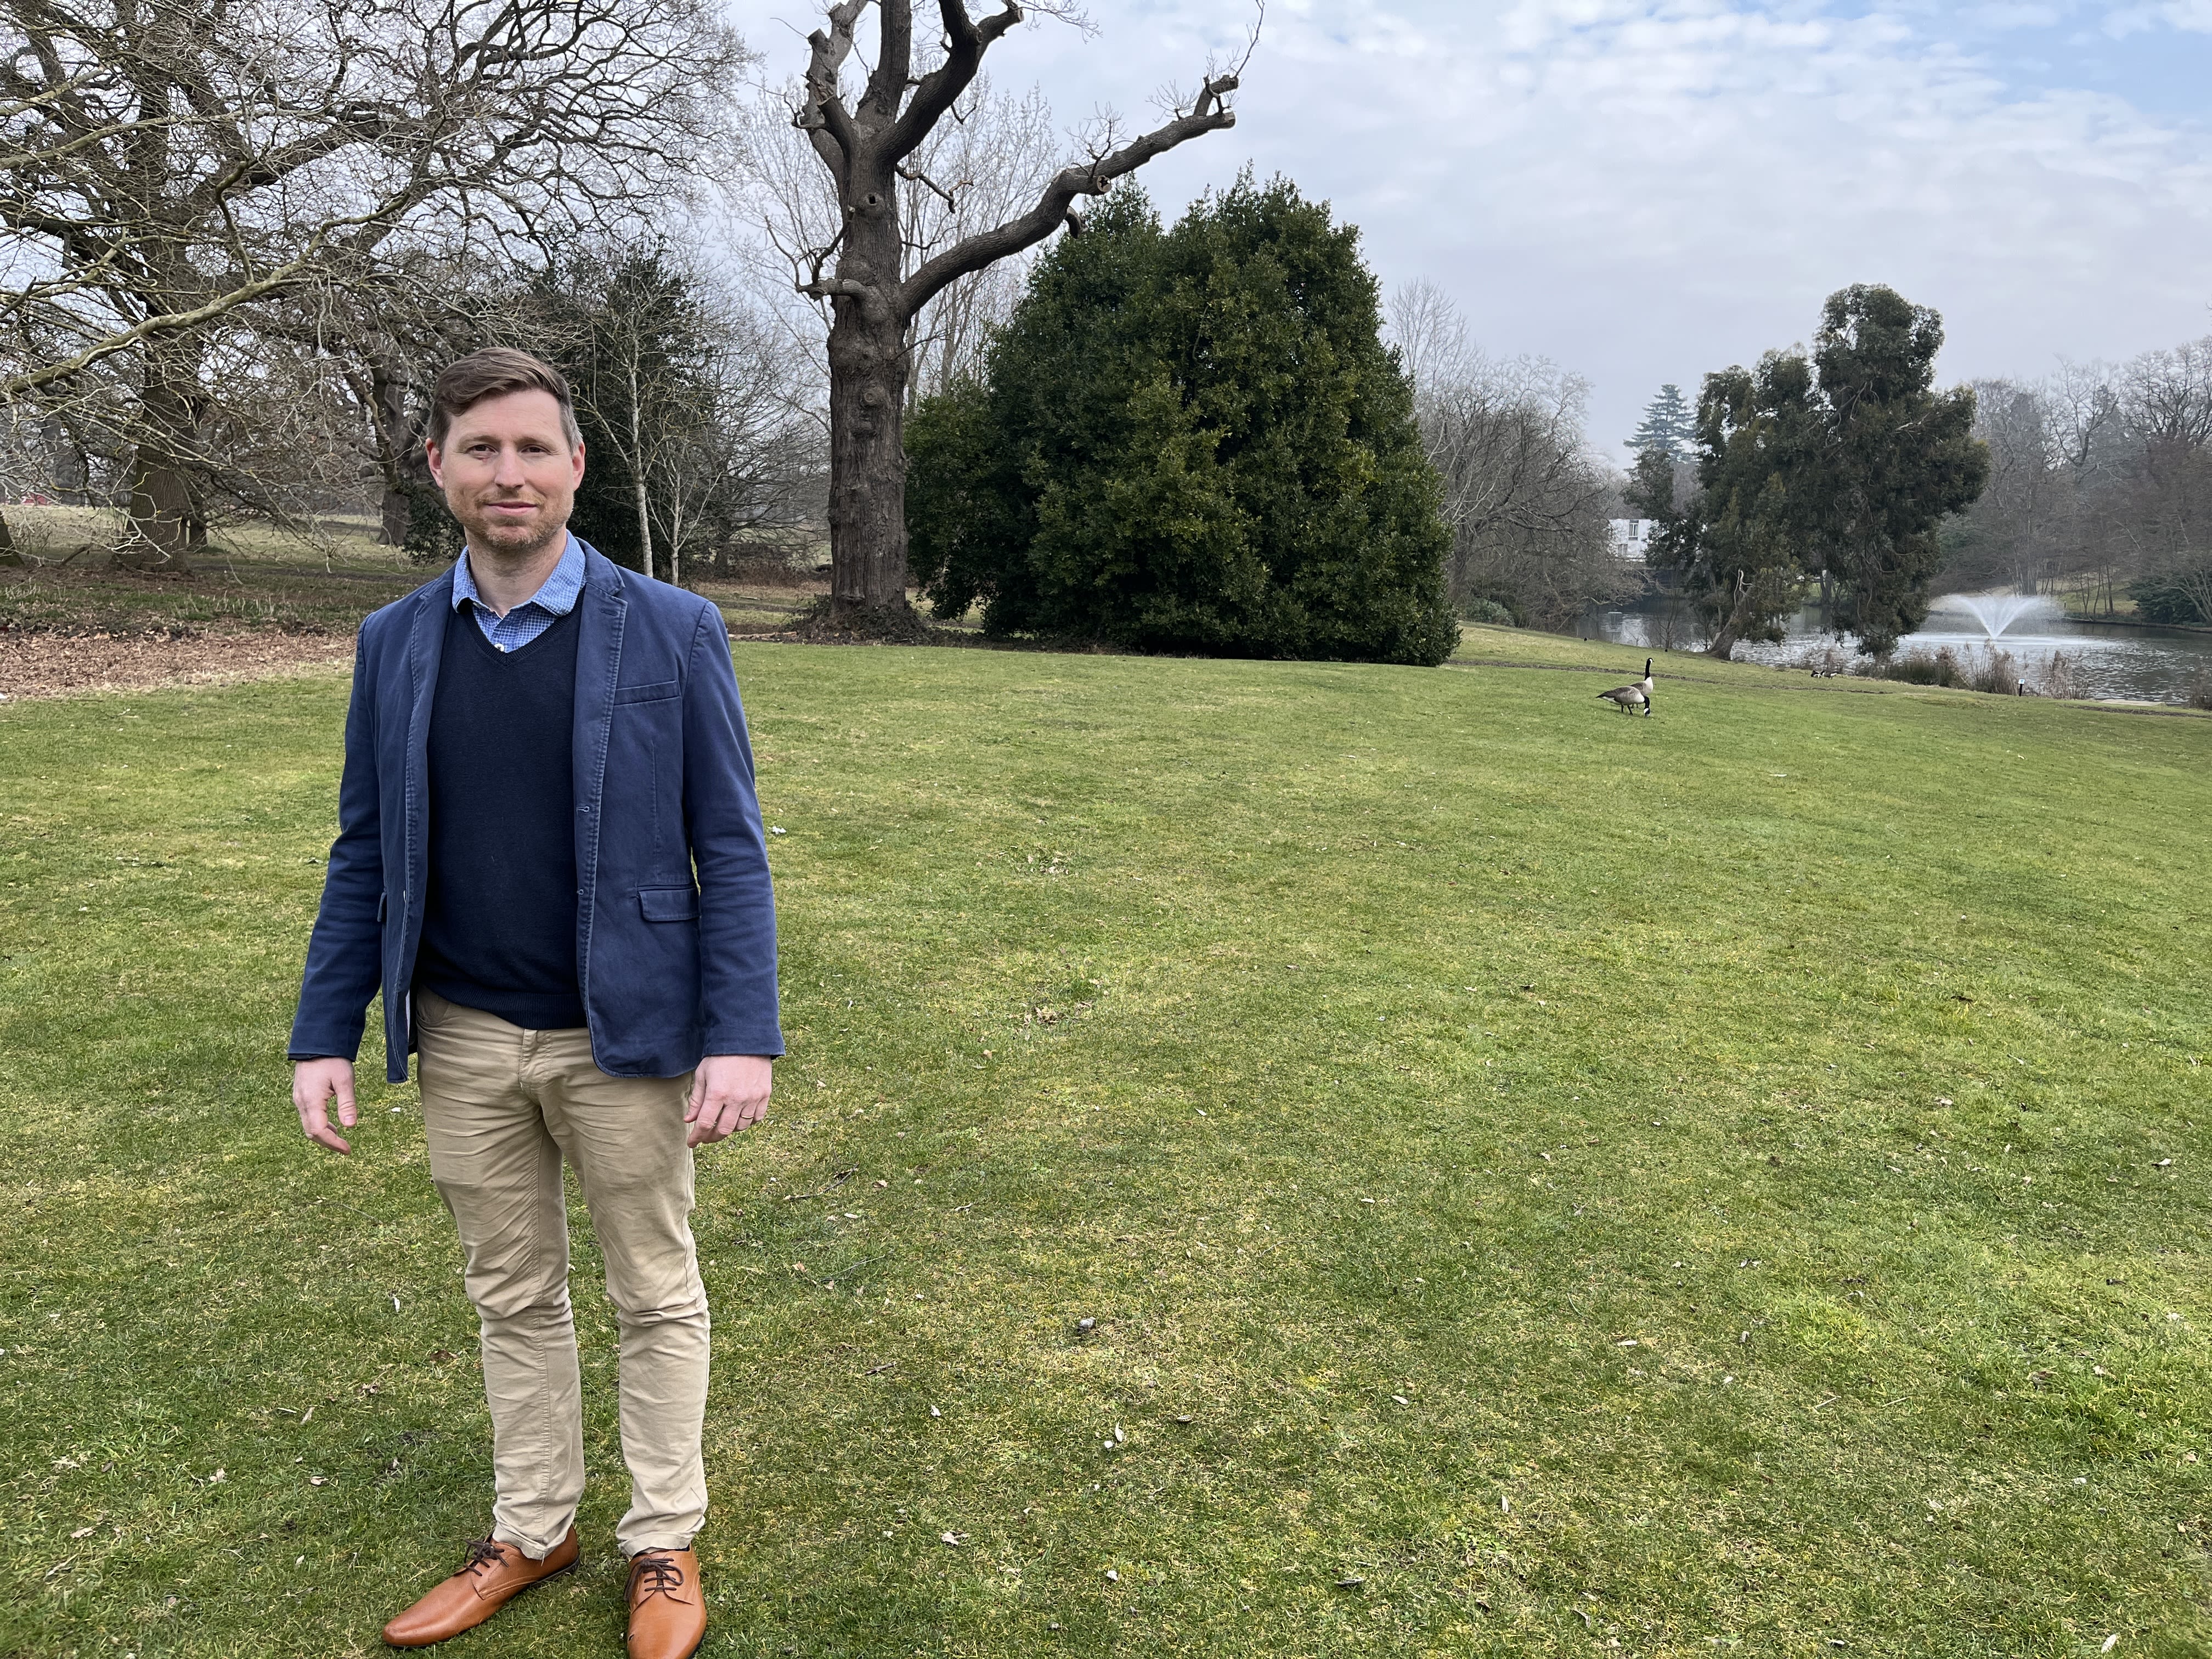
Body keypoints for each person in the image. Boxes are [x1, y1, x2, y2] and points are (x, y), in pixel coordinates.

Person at [287, 347, 781, 1659]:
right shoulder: (396, 641)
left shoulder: (673, 629)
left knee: (654, 1290)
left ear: (575, 465)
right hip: (459, 1036)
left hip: (623, 1034)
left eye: (533, 448)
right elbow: (363, 849)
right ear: (438, 466)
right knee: (513, 1295)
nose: (509, 473)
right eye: (481, 449)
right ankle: (534, 1526)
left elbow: (727, 843)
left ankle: (661, 1539)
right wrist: (322, 1029)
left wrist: (741, 1031)